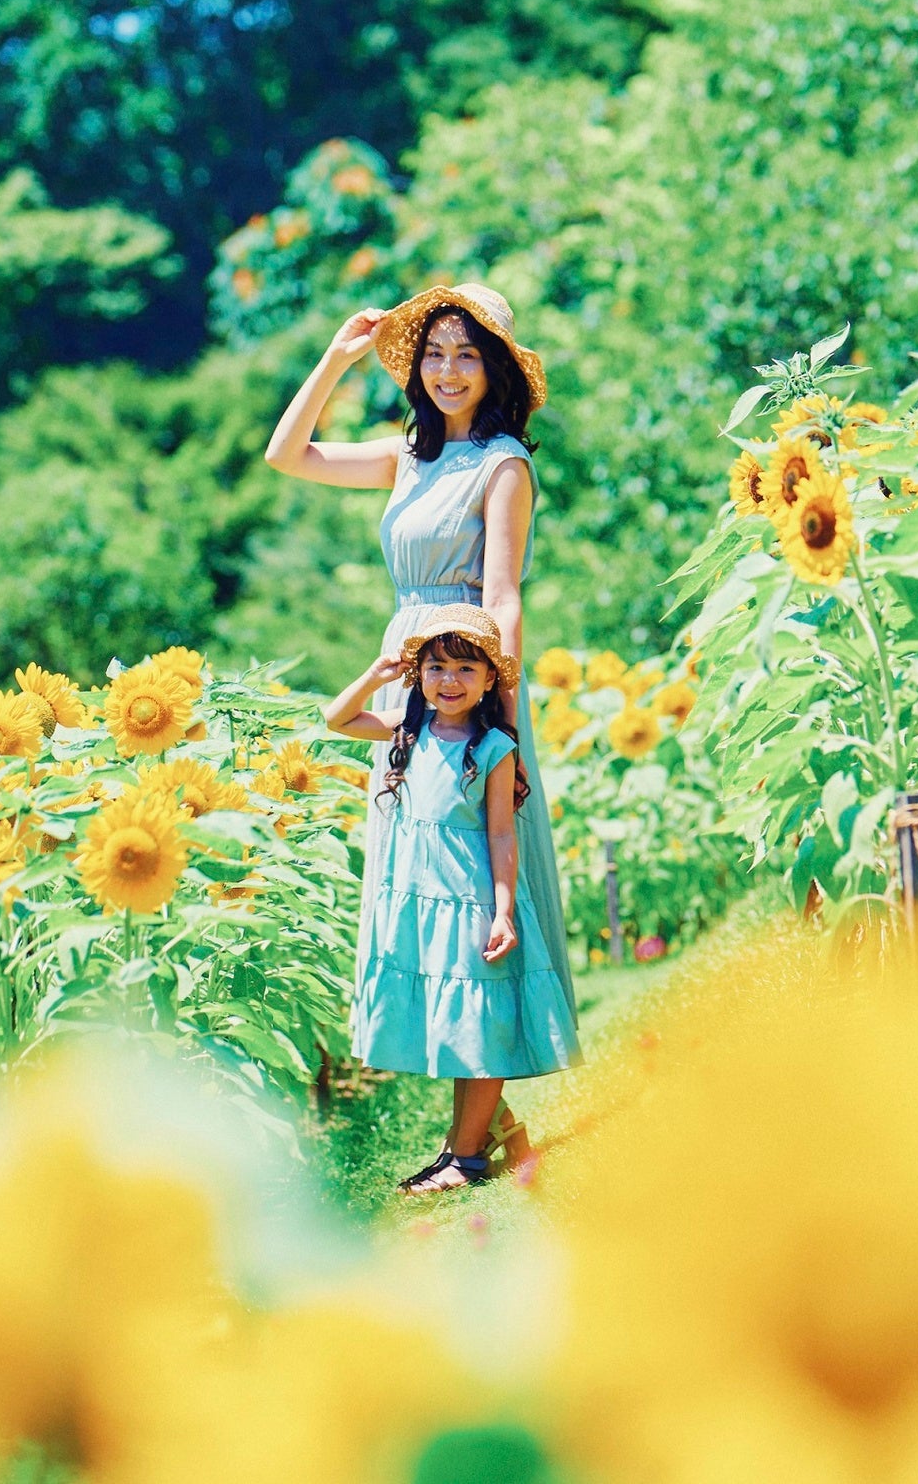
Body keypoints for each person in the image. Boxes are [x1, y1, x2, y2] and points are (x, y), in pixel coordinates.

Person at [266, 280, 581, 1192]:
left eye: (466, 355)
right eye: (435, 353)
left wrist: (501, 722)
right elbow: (290, 455)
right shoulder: (409, 456)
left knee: (473, 898)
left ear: (495, 371)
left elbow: (504, 596)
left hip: (467, 692)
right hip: (406, 690)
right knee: (424, 903)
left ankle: (468, 1148)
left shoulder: (504, 464)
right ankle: (493, 1123)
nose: (448, 371)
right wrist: (337, 357)